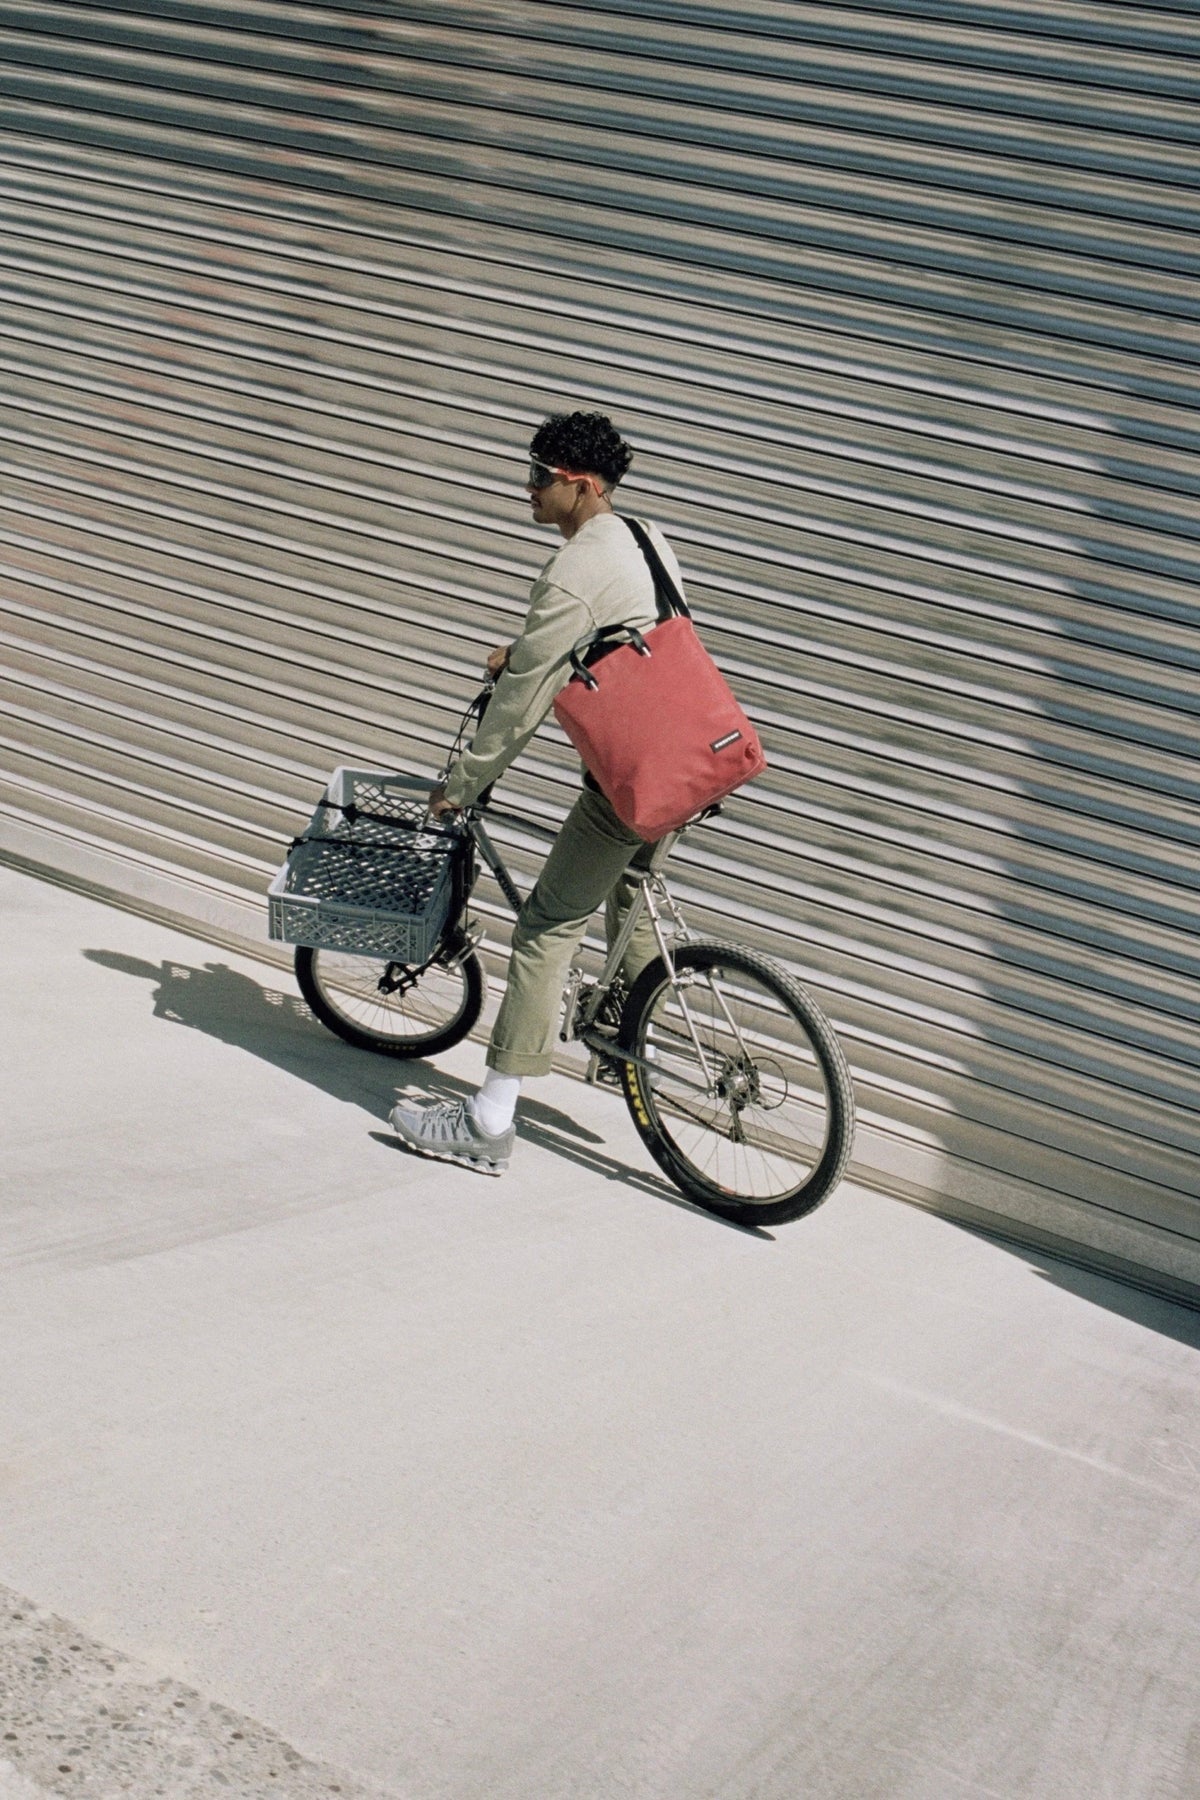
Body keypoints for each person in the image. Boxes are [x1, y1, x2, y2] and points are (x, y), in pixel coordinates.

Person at [389, 410, 686, 1173]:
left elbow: (523, 701)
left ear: (579, 486)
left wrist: (462, 785)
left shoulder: (572, 568)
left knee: (545, 929)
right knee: (629, 894)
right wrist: (523, 650)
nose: (527, 487)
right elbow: (618, 630)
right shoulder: (646, 537)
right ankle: (637, 1043)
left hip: (628, 782)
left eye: (538, 476)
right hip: (689, 761)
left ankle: (488, 1122)